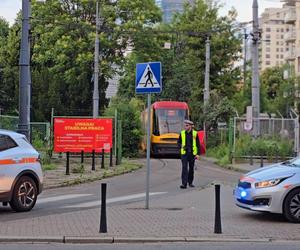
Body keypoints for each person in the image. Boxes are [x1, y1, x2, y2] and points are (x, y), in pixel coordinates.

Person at [177, 119, 201, 189]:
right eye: (185, 125)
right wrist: (181, 146)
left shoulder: (195, 134)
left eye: (187, 125)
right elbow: (178, 142)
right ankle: (184, 184)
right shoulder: (182, 133)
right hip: (184, 153)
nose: (185, 127)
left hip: (192, 154)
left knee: (191, 168)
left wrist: (198, 154)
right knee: (184, 168)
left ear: (190, 126)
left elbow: (198, 144)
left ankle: (190, 182)